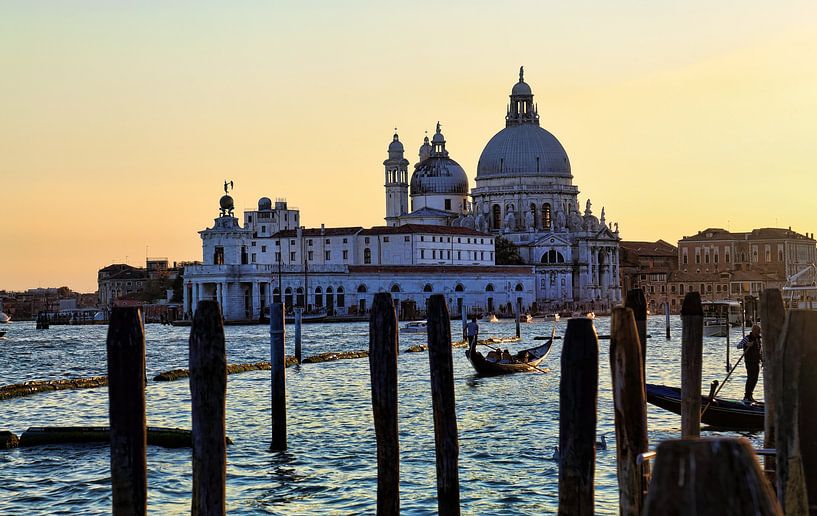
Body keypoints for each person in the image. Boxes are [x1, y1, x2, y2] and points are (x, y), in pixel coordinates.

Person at [737, 324, 762, 403]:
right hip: (749, 361)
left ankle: (750, 395)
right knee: (750, 378)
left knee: (755, 378)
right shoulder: (747, 338)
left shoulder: (758, 340)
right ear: (753, 330)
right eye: (757, 331)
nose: (758, 333)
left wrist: (762, 359)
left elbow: (759, 351)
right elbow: (738, 346)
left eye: (759, 331)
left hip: (756, 361)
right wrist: (746, 344)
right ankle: (746, 396)